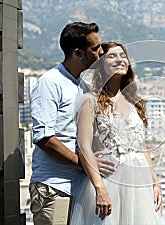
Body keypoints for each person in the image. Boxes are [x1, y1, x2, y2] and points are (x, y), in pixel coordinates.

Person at [70, 42, 165, 225]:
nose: (120, 59)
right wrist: (100, 188)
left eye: (123, 56)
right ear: (101, 65)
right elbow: (83, 146)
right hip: (109, 179)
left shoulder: (133, 101)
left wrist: (155, 182)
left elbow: (142, 145)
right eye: (112, 56)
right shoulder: (90, 101)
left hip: (140, 183)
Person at [30, 22, 116, 225]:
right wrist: (84, 164)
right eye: (95, 48)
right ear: (78, 53)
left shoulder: (83, 87)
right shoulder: (50, 82)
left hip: (80, 188)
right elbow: (44, 138)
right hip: (54, 188)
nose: (101, 52)